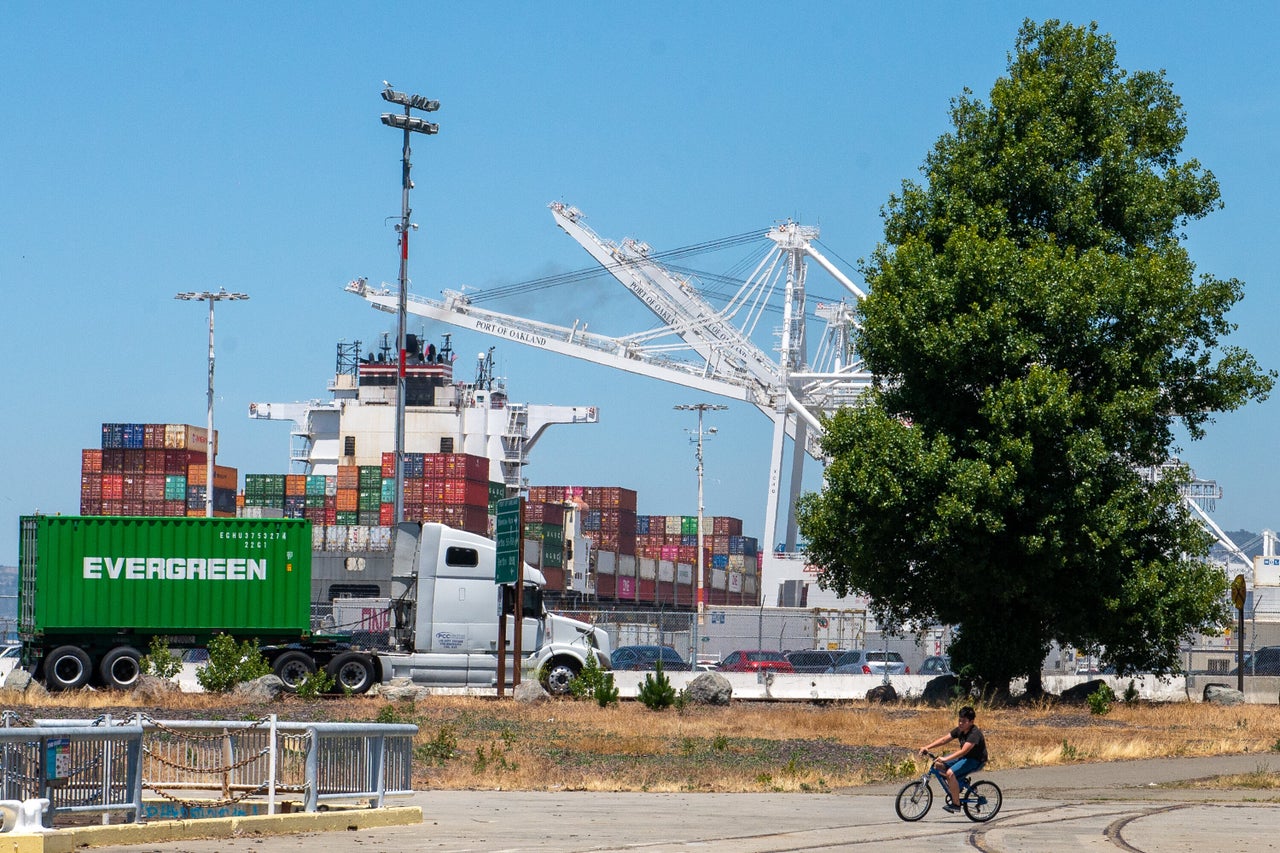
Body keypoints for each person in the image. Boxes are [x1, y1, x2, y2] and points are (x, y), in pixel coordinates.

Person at [920, 705, 987, 813]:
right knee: (937, 765)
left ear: (971, 722)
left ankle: (956, 804)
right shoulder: (959, 730)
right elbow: (943, 740)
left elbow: (963, 751)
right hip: (965, 758)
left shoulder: (974, 734)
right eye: (959, 720)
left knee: (950, 773)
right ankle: (959, 782)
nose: (960, 723)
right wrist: (927, 747)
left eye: (964, 721)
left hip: (976, 761)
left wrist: (945, 759)